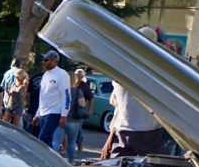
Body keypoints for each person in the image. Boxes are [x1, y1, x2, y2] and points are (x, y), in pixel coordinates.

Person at [101, 27, 167, 159]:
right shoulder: (160, 69)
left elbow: (116, 103)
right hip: (151, 131)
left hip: (124, 129)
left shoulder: (121, 66)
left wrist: (109, 138)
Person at [32, 50, 70, 147]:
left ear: (54, 61)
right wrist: (37, 114)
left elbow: (66, 95)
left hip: (54, 112)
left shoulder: (62, 74)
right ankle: (50, 159)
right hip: (44, 112)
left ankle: (43, 160)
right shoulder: (45, 75)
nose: (43, 62)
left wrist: (64, 115)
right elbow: (43, 96)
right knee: (45, 140)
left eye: (46, 60)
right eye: (43, 60)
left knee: (43, 137)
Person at [70, 68, 93, 152]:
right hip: (69, 110)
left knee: (78, 128)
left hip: (79, 111)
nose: (77, 75)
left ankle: (79, 142)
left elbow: (91, 98)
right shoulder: (71, 83)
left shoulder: (84, 86)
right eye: (76, 74)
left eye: (79, 74)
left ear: (82, 76)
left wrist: (90, 109)